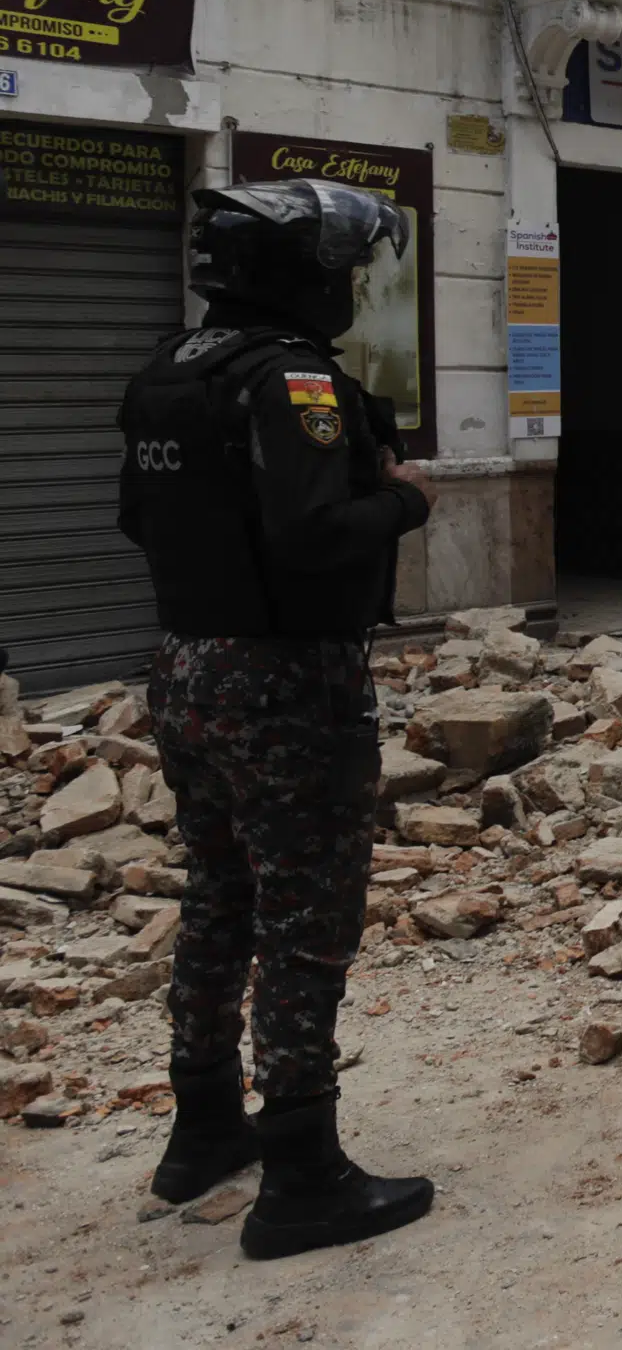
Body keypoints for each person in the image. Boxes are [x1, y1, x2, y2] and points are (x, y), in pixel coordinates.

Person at [115, 180, 438, 1260]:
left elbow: (133, 517)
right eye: (337, 269)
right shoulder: (293, 378)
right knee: (307, 917)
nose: (346, 287)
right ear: (292, 276)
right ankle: (303, 1172)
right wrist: (403, 496)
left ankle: (203, 1123)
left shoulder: (174, 371)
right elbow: (313, 534)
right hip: (288, 680)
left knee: (221, 895)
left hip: (185, 668)